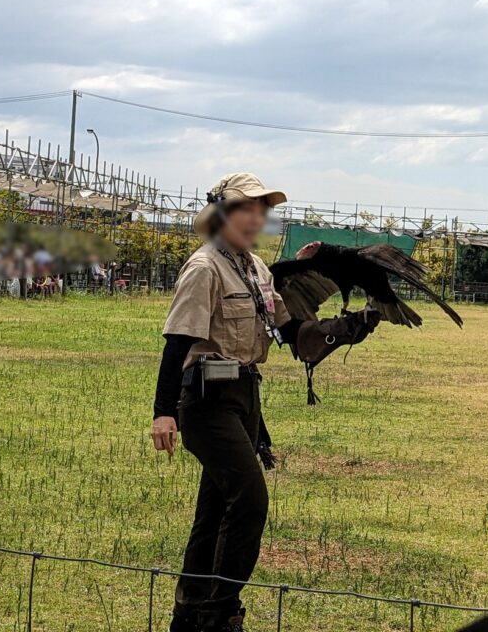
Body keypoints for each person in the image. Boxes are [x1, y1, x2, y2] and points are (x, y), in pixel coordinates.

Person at [151, 173, 381, 632]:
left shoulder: (256, 268)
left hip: (244, 397)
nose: (256, 219)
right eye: (246, 209)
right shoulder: (204, 268)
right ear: (221, 214)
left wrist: (345, 328)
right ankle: (220, 614)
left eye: (262, 211)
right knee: (250, 502)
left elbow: (290, 331)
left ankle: (189, 615)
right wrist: (163, 412)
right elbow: (177, 343)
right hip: (206, 401)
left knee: (214, 513)